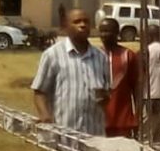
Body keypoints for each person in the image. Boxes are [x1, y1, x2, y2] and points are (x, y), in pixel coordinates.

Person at [32, 8, 109, 136]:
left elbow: (106, 94)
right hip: (66, 136)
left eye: (86, 22)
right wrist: (45, 116)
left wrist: (103, 97)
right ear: (66, 27)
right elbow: (39, 91)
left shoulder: (101, 57)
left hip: (95, 136)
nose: (83, 25)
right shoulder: (52, 55)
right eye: (77, 22)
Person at [99, 17, 140, 138]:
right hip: (99, 122)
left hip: (123, 121)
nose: (104, 35)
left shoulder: (128, 55)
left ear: (117, 32)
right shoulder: (94, 56)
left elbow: (136, 88)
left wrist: (136, 117)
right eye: (102, 31)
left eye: (108, 31)